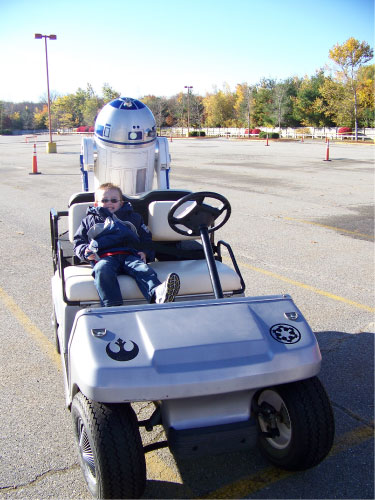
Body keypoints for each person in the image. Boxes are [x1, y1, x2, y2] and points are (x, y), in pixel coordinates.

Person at [73, 182, 180, 307]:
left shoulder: (133, 218)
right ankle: (112, 306)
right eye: (104, 200)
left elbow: (146, 238)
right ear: (96, 204)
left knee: (143, 269)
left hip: (130, 254)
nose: (109, 203)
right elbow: (79, 242)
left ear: (121, 203)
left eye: (114, 200)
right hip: (104, 257)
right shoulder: (89, 221)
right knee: (102, 269)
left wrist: (145, 252)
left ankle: (158, 295)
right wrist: (85, 251)